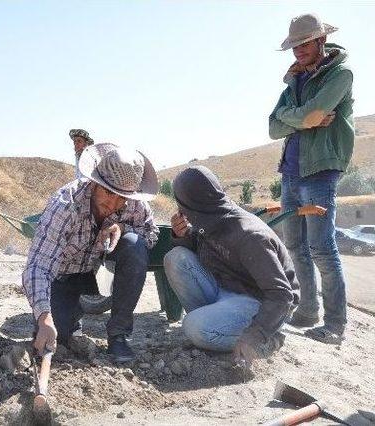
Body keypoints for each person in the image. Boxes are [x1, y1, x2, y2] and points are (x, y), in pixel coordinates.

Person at [23, 143, 159, 362]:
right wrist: (44, 317)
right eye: (108, 192)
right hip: (64, 275)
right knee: (58, 332)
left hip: (101, 272)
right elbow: (38, 267)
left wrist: (122, 228)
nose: (113, 204)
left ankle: (119, 336)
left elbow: (151, 234)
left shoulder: (135, 205)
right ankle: (70, 318)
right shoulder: (65, 204)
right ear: (96, 182)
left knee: (135, 245)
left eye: (121, 197)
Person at [269, 13, 354, 344]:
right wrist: (302, 119)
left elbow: (312, 115)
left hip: (319, 171)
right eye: (294, 46)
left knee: (321, 247)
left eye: (305, 43)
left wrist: (302, 118)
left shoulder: (341, 73)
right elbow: (273, 126)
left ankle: (335, 324)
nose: (299, 51)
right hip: (290, 171)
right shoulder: (294, 80)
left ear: (321, 40)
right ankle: (307, 311)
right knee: (294, 245)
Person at [164, 166, 299, 367]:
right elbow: (205, 251)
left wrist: (254, 336)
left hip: (261, 303)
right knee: (176, 257)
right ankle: (212, 325)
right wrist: (181, 236)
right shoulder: (210, 216)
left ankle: (270, 340)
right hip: (228, 289)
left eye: (182, 205)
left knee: (194, 327)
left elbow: (281, 296)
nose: (180, 211)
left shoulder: (250, 236)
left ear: (192, 205)